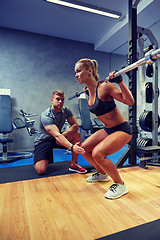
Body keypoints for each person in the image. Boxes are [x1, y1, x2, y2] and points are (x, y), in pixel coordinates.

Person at [74, 58, 134, 199]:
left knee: (97, 154)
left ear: (89, 70)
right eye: (75, 72)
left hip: (122, 129)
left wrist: (120, 81)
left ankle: (120, 184)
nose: (76, 75)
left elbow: (129, 101)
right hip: (108, 129)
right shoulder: (89, 92)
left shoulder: (105, 87)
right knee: (83, 149)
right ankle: (102, 173)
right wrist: (88, 89)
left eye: (78, 71)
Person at [34, 90, 87, 175]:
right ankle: (40, 157)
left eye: (62, 100)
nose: (60, 102)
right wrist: (72, 147)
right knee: (41, 170)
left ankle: (74, 164)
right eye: (57, 99)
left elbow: (75, 125)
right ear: (52, 100)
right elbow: (56, 134)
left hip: (57, 137)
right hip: (44, 140)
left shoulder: (66, 110)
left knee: (76, 134)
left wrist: (64, 134)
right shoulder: (46, 115)